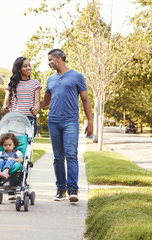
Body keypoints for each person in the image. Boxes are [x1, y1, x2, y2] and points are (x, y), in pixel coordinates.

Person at [40, 49, 93, 202]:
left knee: (71, 154)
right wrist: (29, 105)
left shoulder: (77, 76)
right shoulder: (50, 79)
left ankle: (73, 190)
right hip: (53, 121)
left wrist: (90, 122)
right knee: (57, 158)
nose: (49, 62)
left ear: (59, 58)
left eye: (50, 59)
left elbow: (85, 100)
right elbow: (46, 102)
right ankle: (61, 189)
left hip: (70, 121)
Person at [1, 56, 41, 136]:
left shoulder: (35, 83)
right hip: (13, 119)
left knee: (27, 146)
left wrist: (36, 110)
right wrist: (4, 109)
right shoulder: (11, 84)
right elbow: (6, 103)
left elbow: (37, 102)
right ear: (19, 69)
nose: (29, 68)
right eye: (25, 66)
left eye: (29, 65)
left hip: (29, 120)